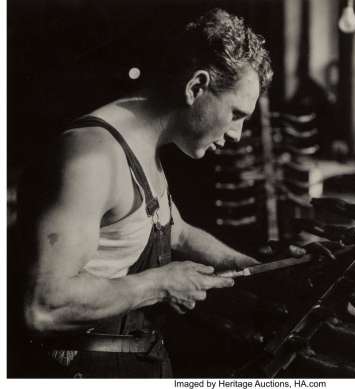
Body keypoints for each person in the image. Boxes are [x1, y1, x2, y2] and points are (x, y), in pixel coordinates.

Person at [14, 8, 273, 378]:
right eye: (236, 113)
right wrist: (161, 284)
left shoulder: (143, 144)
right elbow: (43, 306)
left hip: (134, 358)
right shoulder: (92, 158)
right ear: (195, 87)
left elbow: (175, 229)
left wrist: (251, 268)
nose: (237, 134)